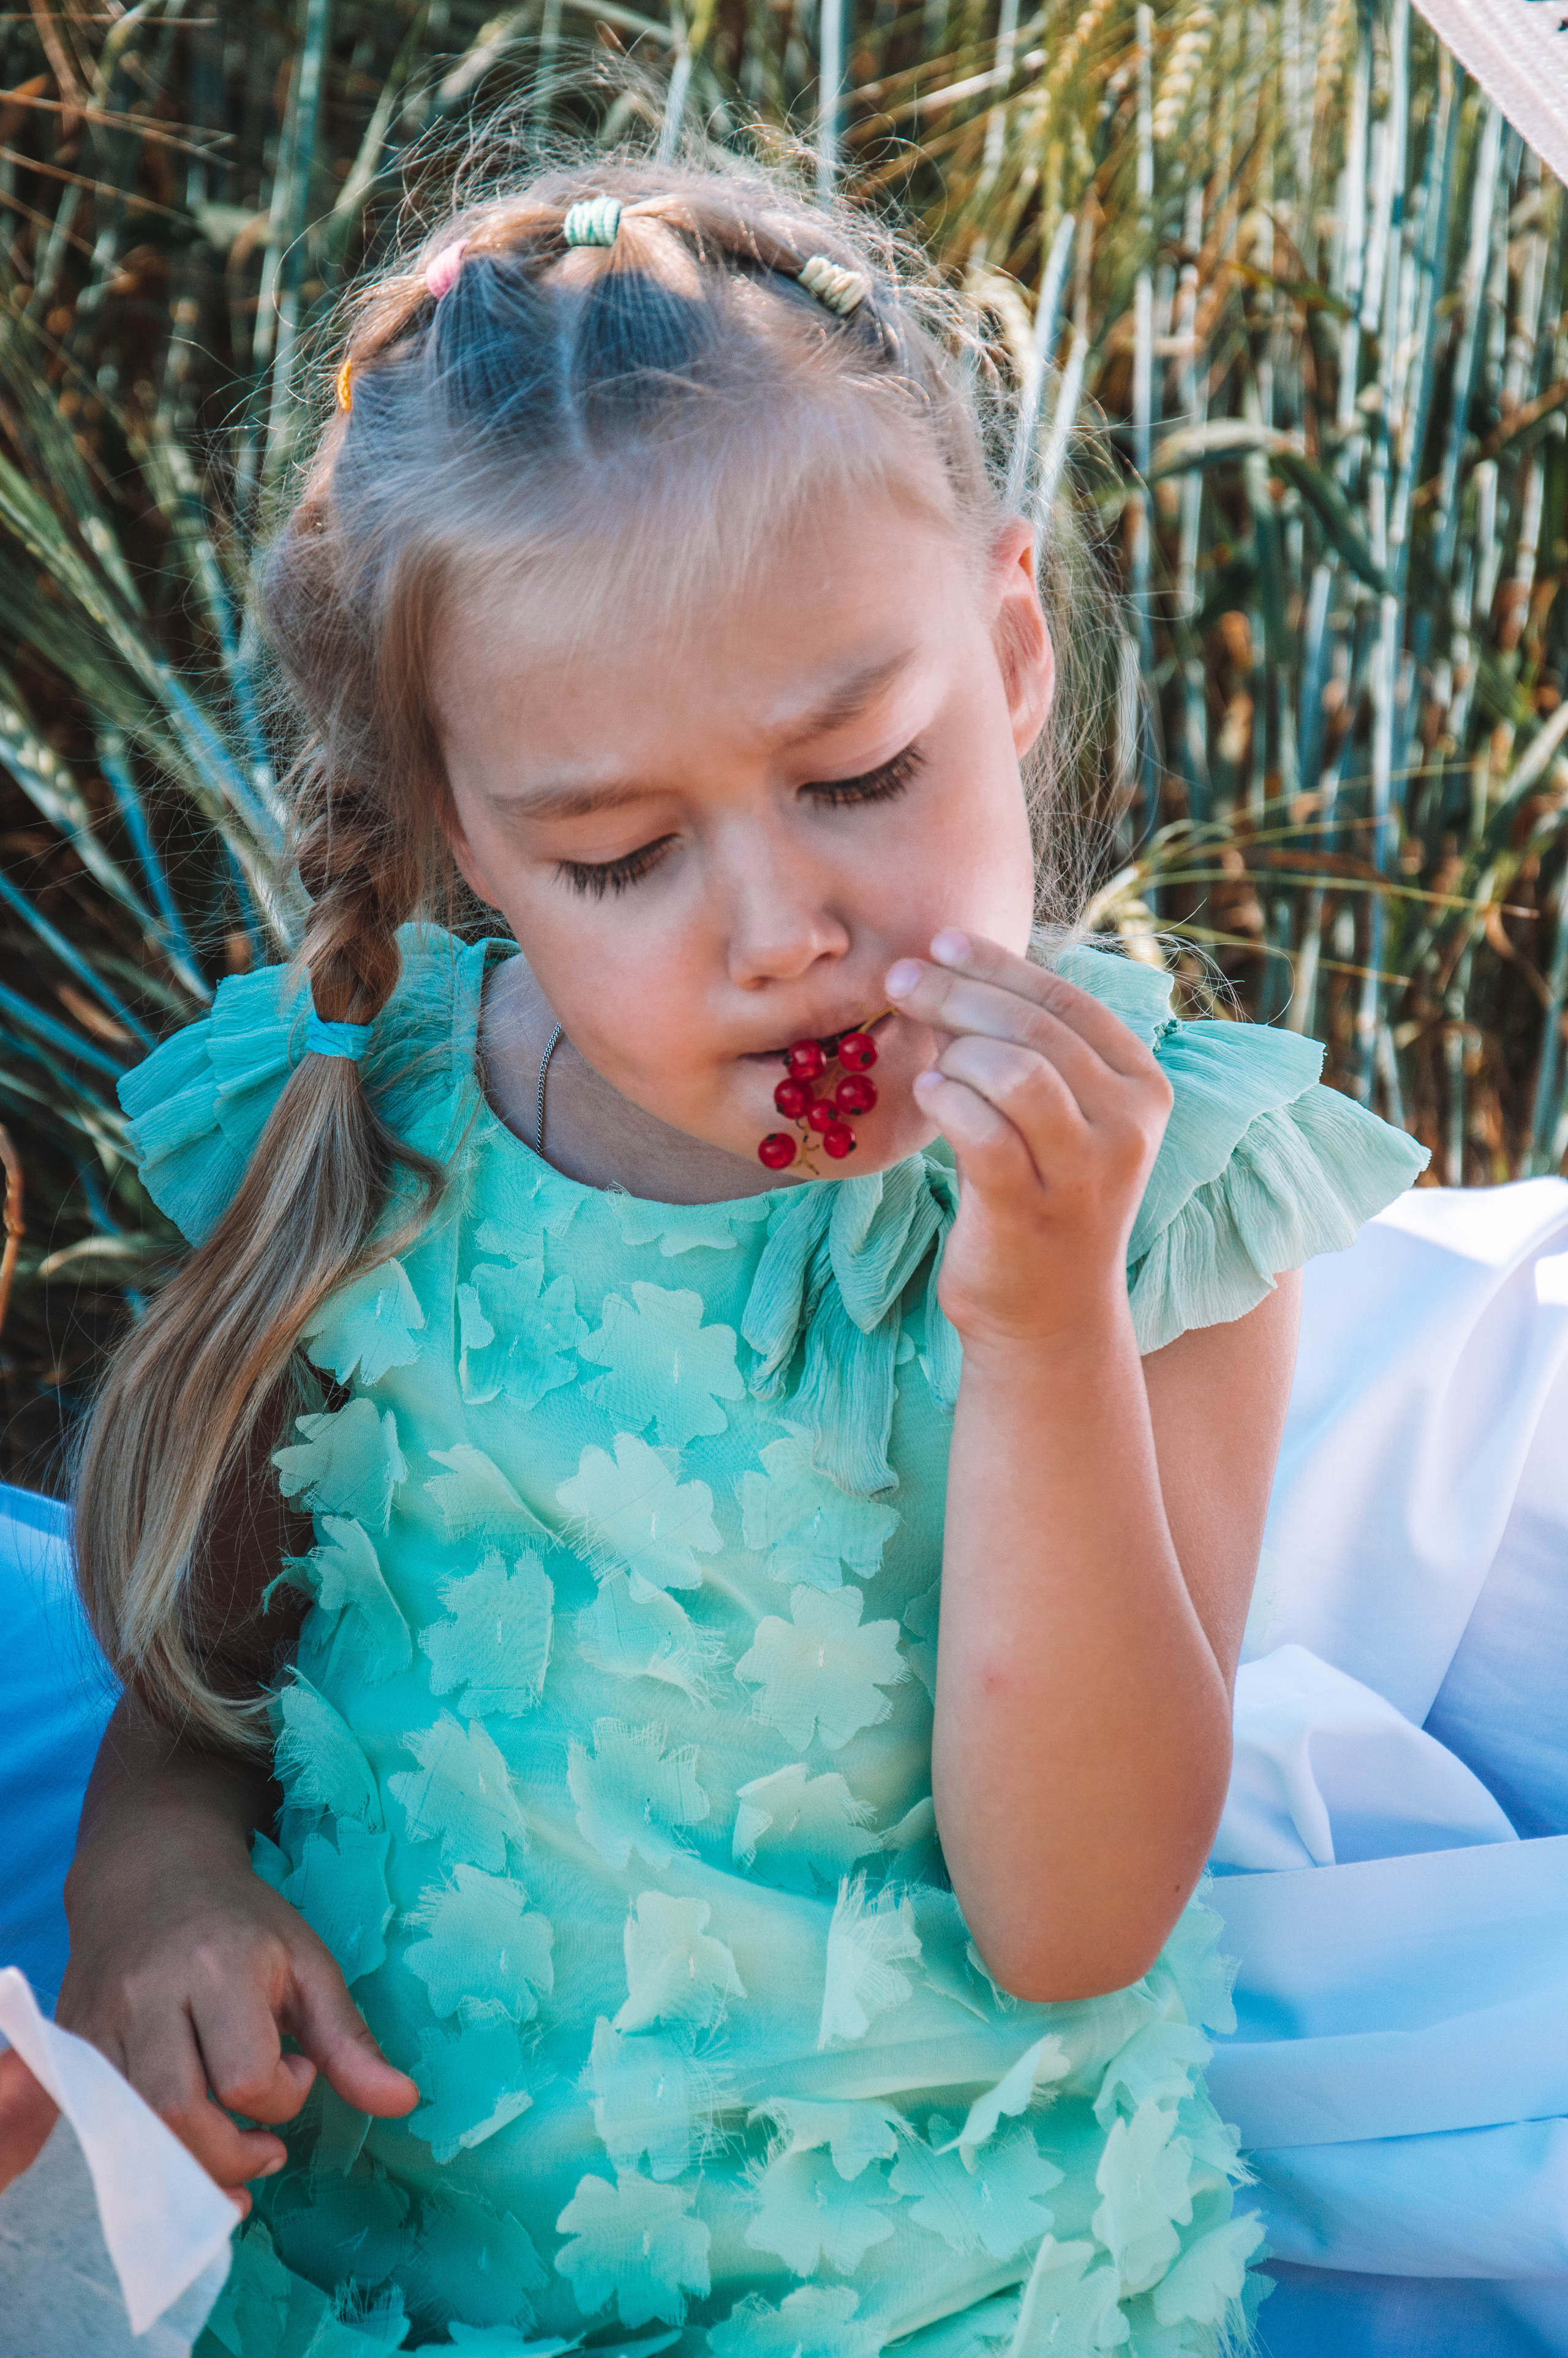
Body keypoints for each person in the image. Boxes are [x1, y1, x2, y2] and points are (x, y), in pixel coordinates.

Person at [0, 151, 1427, 2356]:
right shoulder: (367, 1138)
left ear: (1013, 650)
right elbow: (203, 1696)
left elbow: (1073, 1916)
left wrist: (1037, 1328)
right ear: (468, 837)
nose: (784, 934)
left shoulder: (1152, 1201)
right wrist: (155, 1879)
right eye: (624, 854)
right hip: (394, 2286)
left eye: (863, 772)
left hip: (951, 2301)